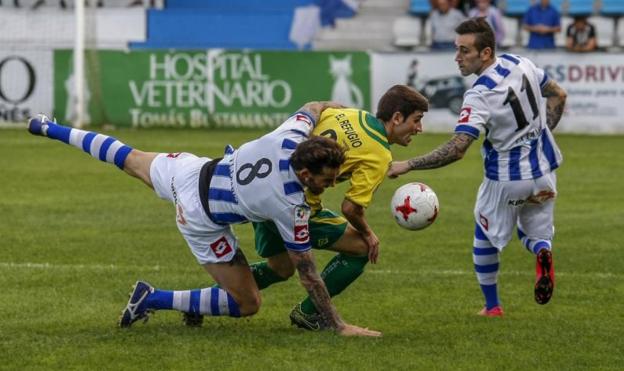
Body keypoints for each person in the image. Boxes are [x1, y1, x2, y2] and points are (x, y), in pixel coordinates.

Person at [26, 102, 381, 337]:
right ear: (305, 173)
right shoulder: (290, 205)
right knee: (249, 304)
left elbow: (313, 107)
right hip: (201, 219)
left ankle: (47, 128)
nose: (333, 184)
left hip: (192, 169)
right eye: (327, 180)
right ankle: (153, 298)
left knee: (127, 156)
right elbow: (308, 274)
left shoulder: (290, 135)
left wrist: (342, 111)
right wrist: (339, 325)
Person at [389, 18, 567, 317]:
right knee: (534, 229)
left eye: (464, 50)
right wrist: (539, 134)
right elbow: (558, 94)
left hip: (507, 178)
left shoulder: (479, 93)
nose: (457, 57)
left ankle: (492, 306)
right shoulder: (519, 62)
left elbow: (457, 149)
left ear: (485, 53)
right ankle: (541, 253)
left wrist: (408, 164)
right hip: (545, 169)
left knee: (484, 236)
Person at [244, 85, 429, 331]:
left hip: (266, 189)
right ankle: (310, 313)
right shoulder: (380, 155)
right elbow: (351, 208)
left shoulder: (351, 114)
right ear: (397, 118)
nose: (419, 128)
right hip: (296, 205)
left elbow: (320, 108)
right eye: (416, 120)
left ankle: (203, 300)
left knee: (280, 268)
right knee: (362, 248)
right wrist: (369, 234)